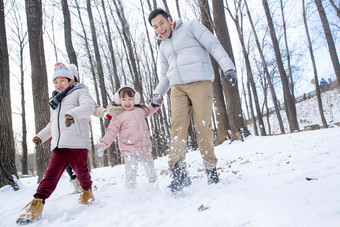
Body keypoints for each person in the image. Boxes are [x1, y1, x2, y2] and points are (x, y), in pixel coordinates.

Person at [148, 8, 238, 192]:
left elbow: (213, 45)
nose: (159, 29)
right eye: (155, 27)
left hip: (200, 81)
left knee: (202, 125)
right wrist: (158, 94)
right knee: (177, 127)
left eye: (161, 23)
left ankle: (211, 169)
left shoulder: (191, 27)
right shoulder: (163, 46)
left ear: (169, 20)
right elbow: (164, 76)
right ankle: (179, 172)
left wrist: (228, 67)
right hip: (177, 88)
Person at [17, 63, 95, 224]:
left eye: (62, 80)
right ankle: (37, 202)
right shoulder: (56, 101)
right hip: (59, 146)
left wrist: (72, 114)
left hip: (77, 144)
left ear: (70, 80)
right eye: (56, 81)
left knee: (81, 173)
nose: (59, 84)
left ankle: (87, 191)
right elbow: (53, 125)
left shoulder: (80, 92)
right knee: (50, 175)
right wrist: (40, 137)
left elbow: (89, 107)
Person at [95, 86, 160, 189]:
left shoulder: (140, 110)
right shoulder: (118, 116)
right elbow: (111, 132)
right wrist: (103, 144)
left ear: (136, 99)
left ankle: (154, 185)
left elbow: (149, 110)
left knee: (150, 167)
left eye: (130, 99)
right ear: (118, 100)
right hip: (129, 149)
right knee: (131, 170)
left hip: (144, 146)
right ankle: (131, 190)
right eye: (124, 99)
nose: (127, 102)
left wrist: (155, 104)